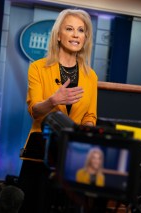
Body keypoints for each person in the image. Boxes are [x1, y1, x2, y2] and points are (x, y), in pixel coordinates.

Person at [18, 8, 98, 213]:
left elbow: (90, 115)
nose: (75, 35)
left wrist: (86, 133)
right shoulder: (38, 68)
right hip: (41, 151)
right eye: (69, 29)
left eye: (81, 30)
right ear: (59, 35)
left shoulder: (91, 76)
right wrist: (54, 100)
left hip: (74, 154)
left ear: (85, 37)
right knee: (35, 206)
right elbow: (35, 110)